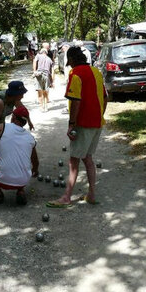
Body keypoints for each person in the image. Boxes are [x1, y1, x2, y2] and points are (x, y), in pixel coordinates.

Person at [46, 46, 107, 208]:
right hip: (97, 123)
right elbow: (106, 97)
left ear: (72, 60)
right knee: (88, 158)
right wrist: (100, 115)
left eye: (69, 62)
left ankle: (66, 197)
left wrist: (71, 124)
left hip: (83, 124)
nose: (69, 65)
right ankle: (92, 194)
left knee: (74, 161)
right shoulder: (96, 72)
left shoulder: (75, 74)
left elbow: (76, 101)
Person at [0, 106, 39, 205]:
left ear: (13, 117)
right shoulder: (30, 138)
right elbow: (35, 161)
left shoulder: (3, 127)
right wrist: (35, 169)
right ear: (25, 122)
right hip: (23, 181)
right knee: (21, 162)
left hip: (1, 180)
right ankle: (20, 191)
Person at [33, 42, 54, 111]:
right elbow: (51, 72)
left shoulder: (38, 56)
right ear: (46, 53)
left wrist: (34, 71)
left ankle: (41, 107)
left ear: (41, 52)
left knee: (40, 92)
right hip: (47, 76)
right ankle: (46, 107)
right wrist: (52, 81)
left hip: (39, 75)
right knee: (45, 92)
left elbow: (34, 62)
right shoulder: (49, 59)